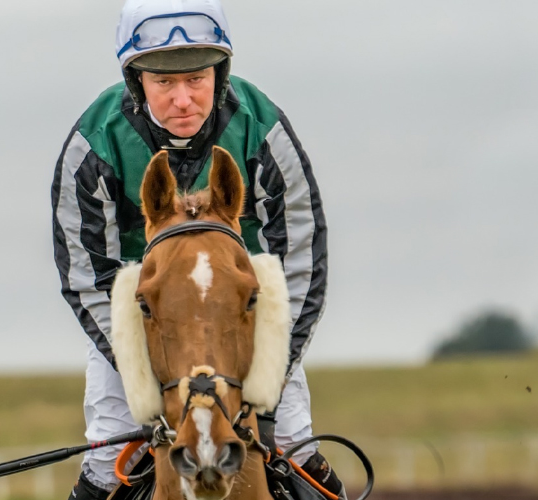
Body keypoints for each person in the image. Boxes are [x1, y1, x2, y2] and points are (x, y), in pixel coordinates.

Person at [51, 1, 341, 498]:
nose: (182, 99)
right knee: (104, 461)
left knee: (294, 443)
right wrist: (143, 371)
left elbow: (301, 259)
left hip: (242, 315)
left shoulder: (263, 128)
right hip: (144, 319)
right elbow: (86, 276)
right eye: (163, 82)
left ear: (219, 76)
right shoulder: (92, 145)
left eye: (196, 79)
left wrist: (270, 369)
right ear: (136, 82)